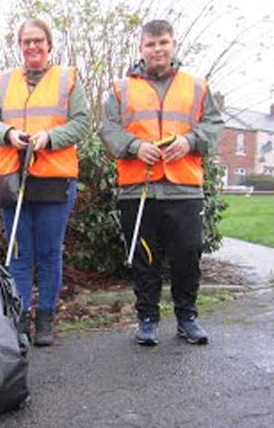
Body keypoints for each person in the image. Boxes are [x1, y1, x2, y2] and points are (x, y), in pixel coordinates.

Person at [99, 19, 223, 346]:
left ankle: (187, 317)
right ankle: (148, 319)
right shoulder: (120, 88)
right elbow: (107, 129)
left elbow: (213, 124)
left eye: (163, 43)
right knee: (144, 258)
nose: (157, 49)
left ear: (173, 45)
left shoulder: (196, 86)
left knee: (187, 255)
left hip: (184, 187)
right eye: (151, 44)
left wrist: (191, 141)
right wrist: (135, 147)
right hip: (137, 188)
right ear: (141, 49)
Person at [0, 18, 92, 346]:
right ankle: (19, 319)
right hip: (11, 177)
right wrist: (9, 134)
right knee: (19, 253)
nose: (32, 46)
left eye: (38, 40)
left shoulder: (68, 79)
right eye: (26, 41)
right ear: (20, 46)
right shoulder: (5, 81)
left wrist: (50, 137)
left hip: (54, 178)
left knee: (49, 252)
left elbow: (82, 122)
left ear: (49, 44)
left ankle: (45, 318)